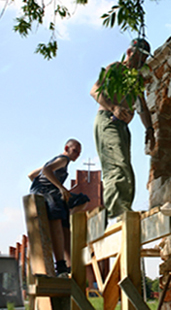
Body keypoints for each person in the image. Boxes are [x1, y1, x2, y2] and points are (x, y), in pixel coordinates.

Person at [90, 38, 155, 219]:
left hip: (122, 126)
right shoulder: (116, 68)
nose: (141, 61)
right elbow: (94, 90)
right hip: (108, 120)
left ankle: (123, 210)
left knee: (126, 167)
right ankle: (117, 214)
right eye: (139, 56)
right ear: (129, 52)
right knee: (117, 165)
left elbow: (142, 106)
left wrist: (149, 130)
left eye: (144, 58)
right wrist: (113, 107)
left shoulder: (136, 79)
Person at [29, 139, 89, 277]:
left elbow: (32, 175)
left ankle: (68, 264)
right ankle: (61, 265)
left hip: (47, 190)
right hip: (47, 192)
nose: (77, 155)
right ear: (67, 148)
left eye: (79, 153)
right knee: (57, 219)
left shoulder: (54, 161)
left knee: (81, 201)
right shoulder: (63, 159)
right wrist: (60, 187)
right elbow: (46, 170)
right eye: (75, 151)